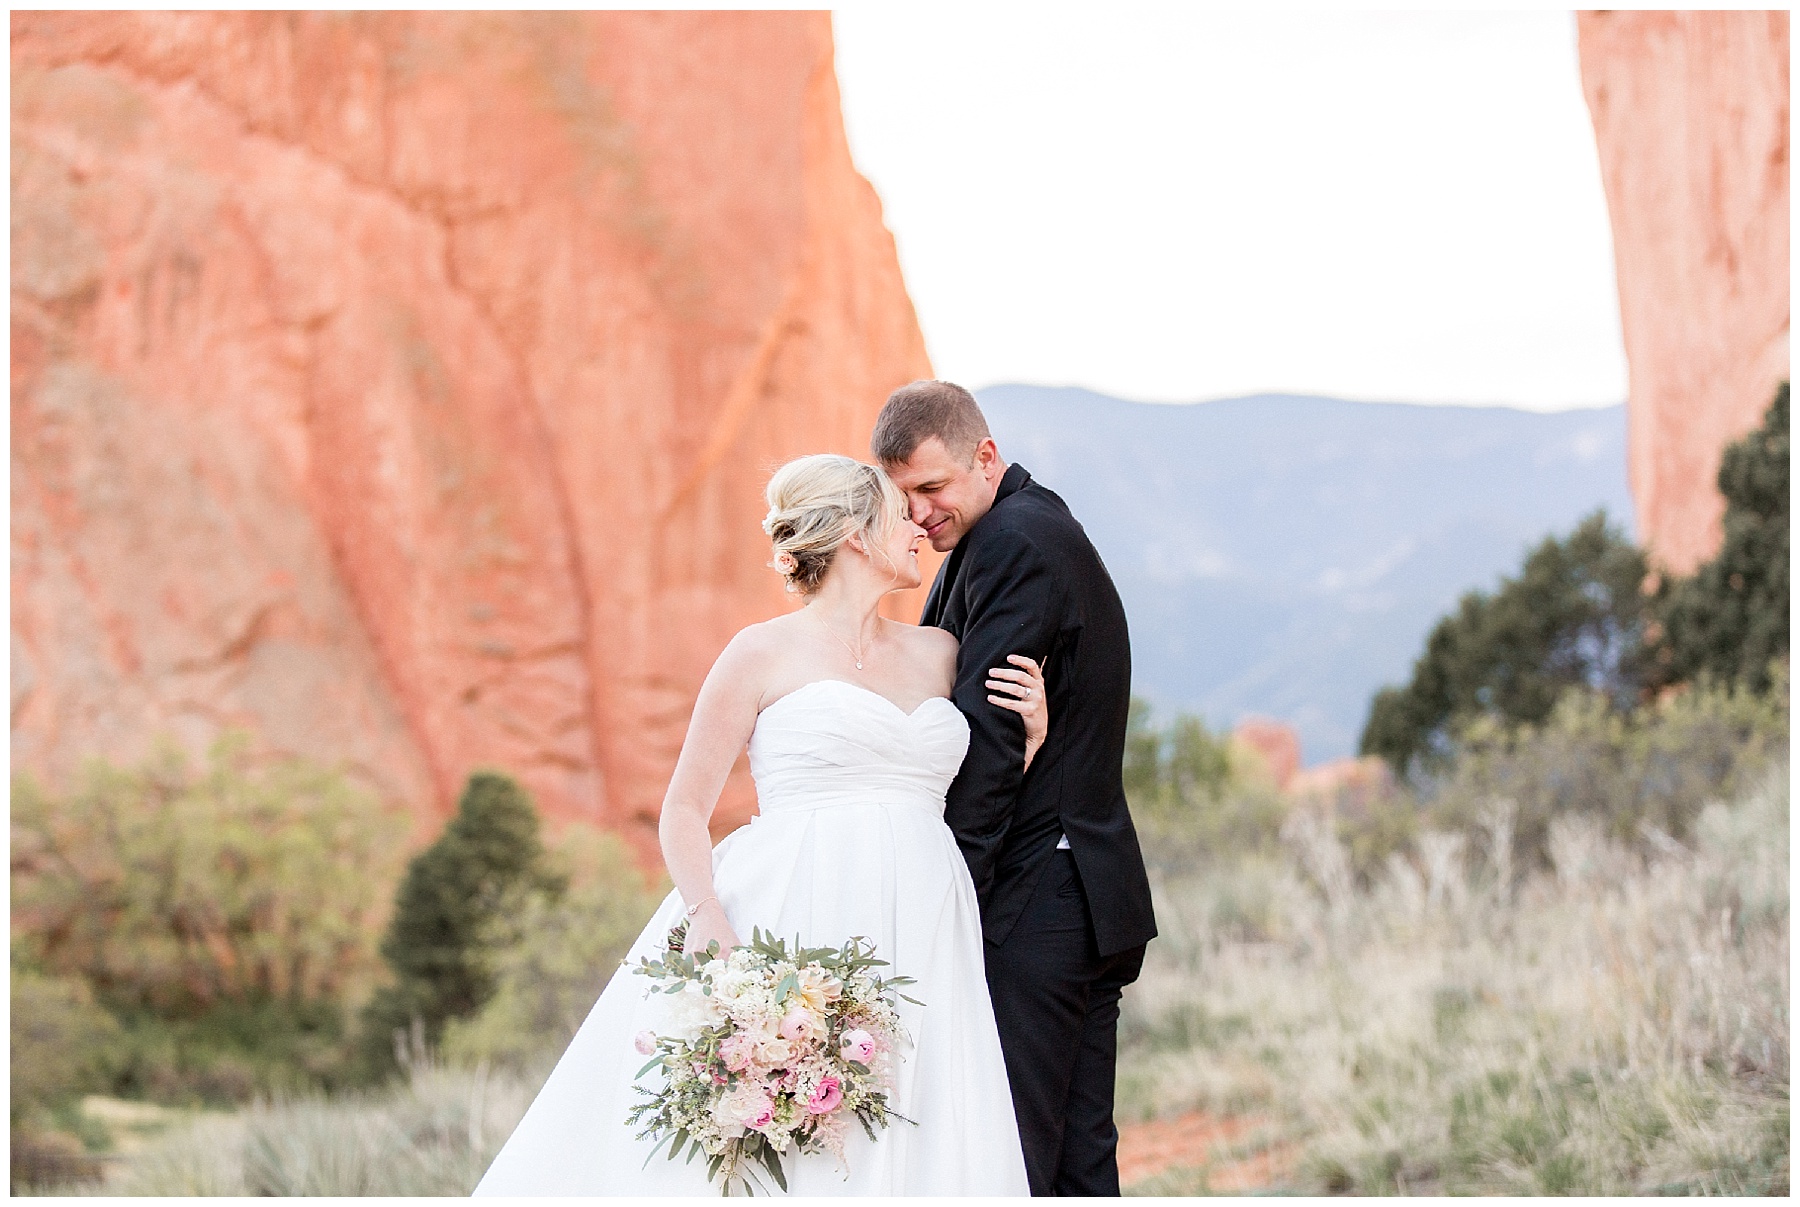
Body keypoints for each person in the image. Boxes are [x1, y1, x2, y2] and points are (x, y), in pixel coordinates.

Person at [474, 454, 1044, 1196]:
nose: (919, 525)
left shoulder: (941, 653)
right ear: (853, 536)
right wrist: (706, 912)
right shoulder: (759, 652)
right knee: (796, 1124)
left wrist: (1027, 740)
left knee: (925, 1109)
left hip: (928, 912)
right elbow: (684, 807)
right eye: (899, 512)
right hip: (795, 909)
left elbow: (978, 792)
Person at [872, 380, 1158, 1197]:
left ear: (985, 456)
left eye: (934, 487)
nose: (922, 513)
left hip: (1035, 899)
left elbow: (991, 745)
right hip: (1079, 893)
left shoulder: (1012, 544)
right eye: (905, 498)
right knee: (1072, 1162)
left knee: (1016, 1159)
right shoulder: (1026, 527)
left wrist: (948, 897)